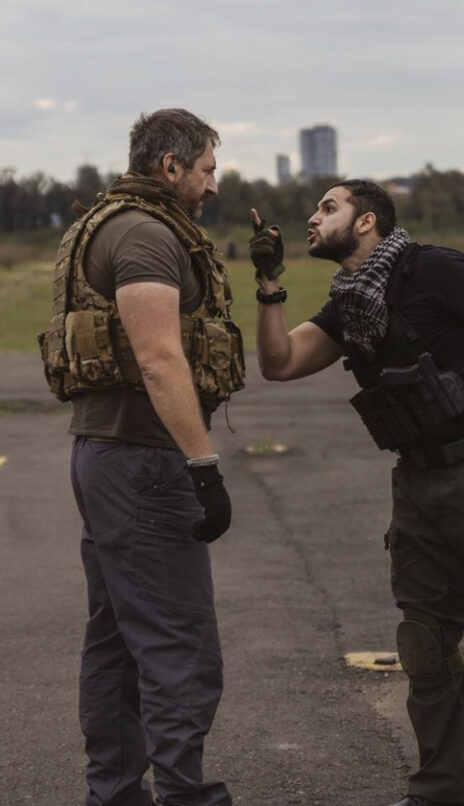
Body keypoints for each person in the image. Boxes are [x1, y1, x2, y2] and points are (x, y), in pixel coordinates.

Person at [249, 180, 464, 806]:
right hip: (419, 484)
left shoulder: (434, 268)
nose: (311, 217)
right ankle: (440, 790)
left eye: (329, 207)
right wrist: (269, 284)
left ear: (366, 222)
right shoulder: (350, 304)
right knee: (425, 648)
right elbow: (280, 362)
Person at [38, 108, 243, 806]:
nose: (214, 186)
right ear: (171, 167)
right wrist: (203, 464)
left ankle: (117, 794)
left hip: (103, 455)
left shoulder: (107, 221)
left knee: (119, 643)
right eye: (209, 170)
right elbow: (159, 359)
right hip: (145, 464)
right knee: (179, 645)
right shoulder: (148, 236)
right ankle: (185, 796)